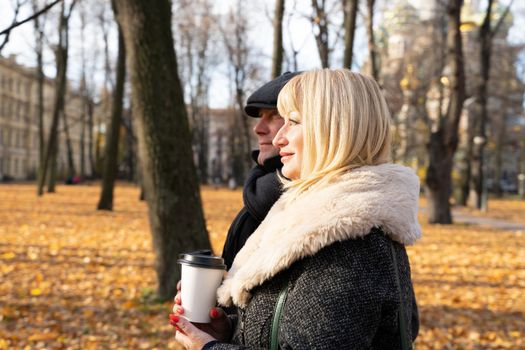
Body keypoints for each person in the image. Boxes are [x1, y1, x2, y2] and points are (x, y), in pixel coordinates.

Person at [171, 69, 421, 349]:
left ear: (332, 129)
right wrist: (227, 330)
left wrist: (209, 348)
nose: (279, 138)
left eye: (293, 121)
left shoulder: (350, 241)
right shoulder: (303, 220)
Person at [222, 71, 301, 270]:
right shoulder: (259, 193)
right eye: (260, 116)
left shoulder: (318, 204)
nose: (258, 128)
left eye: (275, 115)